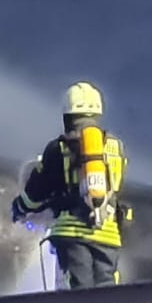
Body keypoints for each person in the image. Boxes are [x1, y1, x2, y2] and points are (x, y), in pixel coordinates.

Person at [11, 81, 128, 289]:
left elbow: (37, 191)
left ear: (67, 116)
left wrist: (20, 208)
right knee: (108, 291)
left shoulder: (59, 149)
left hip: (71, 233)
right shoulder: (115, 147)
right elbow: (118, 184)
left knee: (77, 291)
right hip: (108, 233)